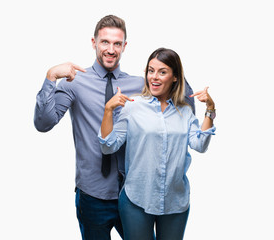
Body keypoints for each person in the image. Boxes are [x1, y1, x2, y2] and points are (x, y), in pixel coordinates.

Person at [34, 15, 195, 239]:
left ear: (124, 46)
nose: (111, 49)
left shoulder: (140, 84)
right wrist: (51, 77)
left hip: (133, 194)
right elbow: (43, 123)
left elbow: (181, 101)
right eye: (105, 42)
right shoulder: (75, 82)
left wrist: (182, 81)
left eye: (117, 43)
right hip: (93, 194)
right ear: (94, 43)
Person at [99, 48, 216, 240]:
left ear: (175, 77)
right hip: (137, 199)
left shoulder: (184, 112)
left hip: (175, 201)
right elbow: (108, 146)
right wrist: (108, 110)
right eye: (150, 70)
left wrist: (210, 110)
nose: (154, 77)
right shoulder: (132, 106)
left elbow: (200, 145)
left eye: (162, 72)